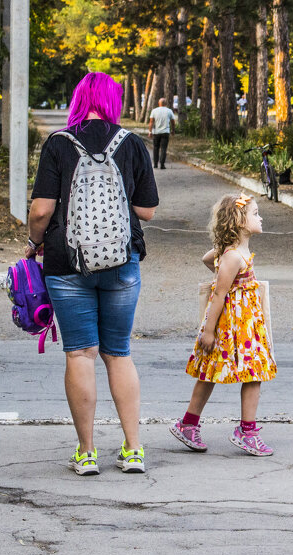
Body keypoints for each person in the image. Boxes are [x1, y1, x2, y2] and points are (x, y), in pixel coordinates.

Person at [26, 72, 159, 476]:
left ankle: (86, 453)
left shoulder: (59, 144)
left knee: (80, 353)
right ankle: (133, 449)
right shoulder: (131, 143)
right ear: (113, 101)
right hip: (121, 262)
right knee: (118, 353)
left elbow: (41, 211)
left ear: (80, 99)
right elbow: (147, 210)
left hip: (67, 264)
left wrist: (34, 244)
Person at [172, 194, 277, 457]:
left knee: (215, 372)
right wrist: (208, 331)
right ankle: (246, 432)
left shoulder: (232, 252)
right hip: (231, 326)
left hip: (244, 325)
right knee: (249, 373)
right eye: (255, 213)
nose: (260, 217)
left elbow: (208, 259)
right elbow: (218, 294)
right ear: (240, 221)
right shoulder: (233, 257)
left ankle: (188, 424)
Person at [148, 97, 176, 170]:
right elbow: (173, 122)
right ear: (165, 103)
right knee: (164, 148)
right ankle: (162, 164)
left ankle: (155, 164)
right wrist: (173, 130)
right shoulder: (169, 111)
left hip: (156, 132)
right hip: (165, 132)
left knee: (155, 148)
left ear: (159, 103)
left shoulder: (154, 111)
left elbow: (151, 122)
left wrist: (150, 131)